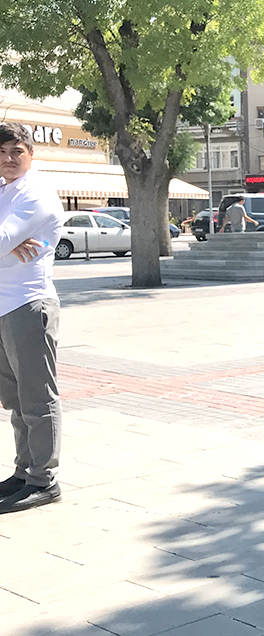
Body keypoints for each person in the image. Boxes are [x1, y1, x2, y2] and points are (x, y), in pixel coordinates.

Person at [0, 122, 64, 515]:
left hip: (28, 305)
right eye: (2, 152)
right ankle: (24, 471)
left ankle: (44, 480)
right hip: (4, 307)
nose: (8, 158)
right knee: (15, 400)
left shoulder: (36, 193)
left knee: (38, 398)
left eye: (15, 151)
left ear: (31, 153)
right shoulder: (5, 191)